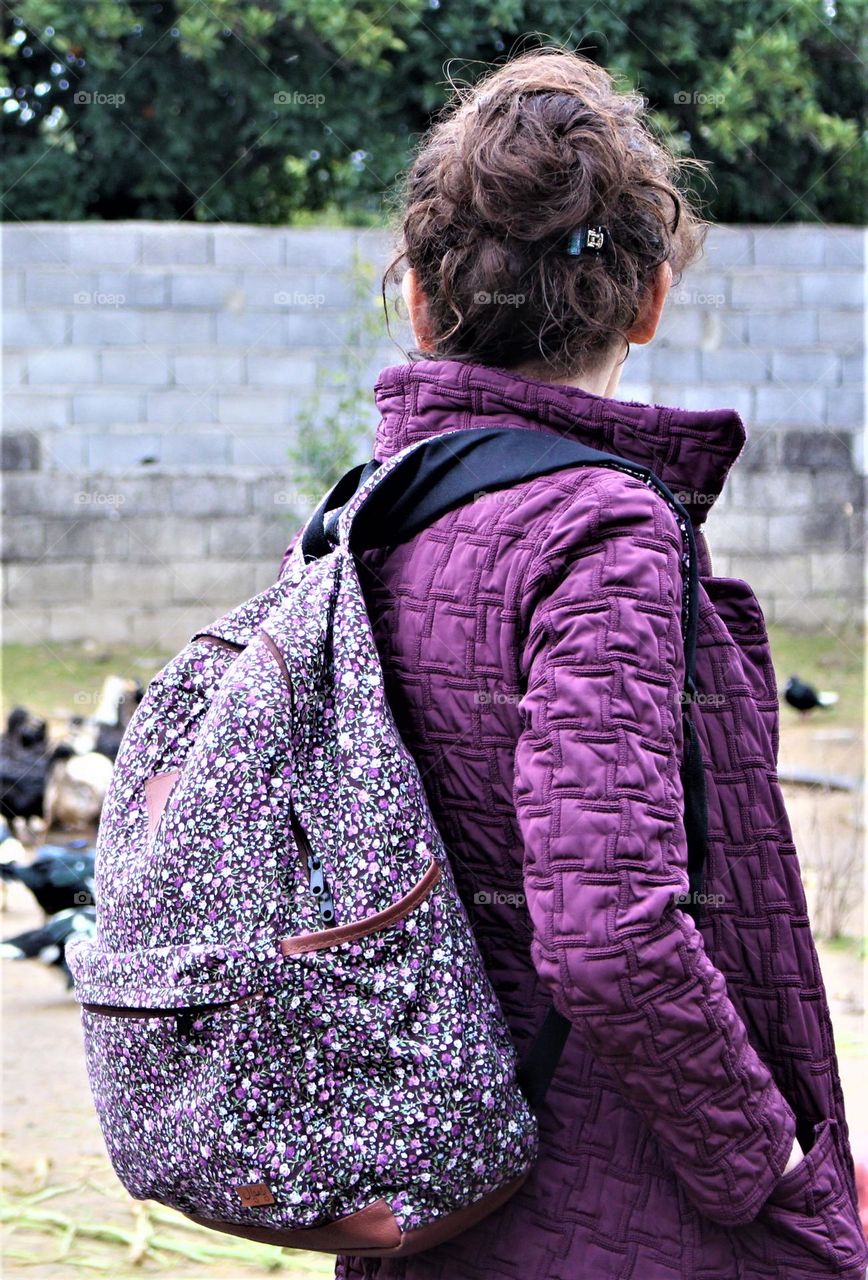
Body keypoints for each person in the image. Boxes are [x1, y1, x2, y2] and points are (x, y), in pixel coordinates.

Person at [328, 48, 867, 1280]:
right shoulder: (600, 533)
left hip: (423, 1193)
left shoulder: (362, 522)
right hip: (621, 1210)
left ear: (422, 303)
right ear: (648, 303)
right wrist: (767, 1160)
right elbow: (606, 930)